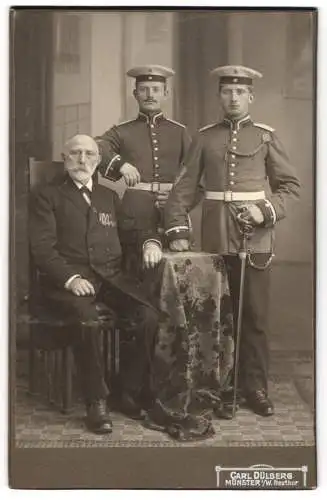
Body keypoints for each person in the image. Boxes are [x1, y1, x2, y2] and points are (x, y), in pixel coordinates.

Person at [164, 65, 301, 417]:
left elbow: (290, 188)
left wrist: (264, 211)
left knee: (253, 316)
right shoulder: (205, 137)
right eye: (227, 92)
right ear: (220, 97)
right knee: (215, 315)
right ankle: (219, 387)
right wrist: (178, 230)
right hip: (214, 238)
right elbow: (184, 189)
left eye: (240, 93)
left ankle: (254, 387)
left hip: (255, 239)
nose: (234, 98)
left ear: (251, 97)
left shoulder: (266, 137)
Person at [29, 134, 158, 434]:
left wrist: (150, 242)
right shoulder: (46, 195)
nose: (82, 160)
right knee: (87, 320)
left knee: (147, 315)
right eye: (75, 153)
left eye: (89, 154)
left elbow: (130, 235)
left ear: (99, 160)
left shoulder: (107, 195)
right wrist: (70, 279)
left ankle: (126, 391)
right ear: (65, 158)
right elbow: (42, 250)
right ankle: (95, 401)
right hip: (63, 282)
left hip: (110, 279)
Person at [94, 64, 192, 273]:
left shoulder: (180, 132)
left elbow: (195, 176)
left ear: (165, 94)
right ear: (135, 94)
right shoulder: (122, 131)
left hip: (171, 214)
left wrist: (177, 199)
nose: (150, 95)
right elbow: (96, 147)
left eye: (156, 89)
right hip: (133, 213)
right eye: (144, 89)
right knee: (135, 270)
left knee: (176, 270)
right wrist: (121, 165)